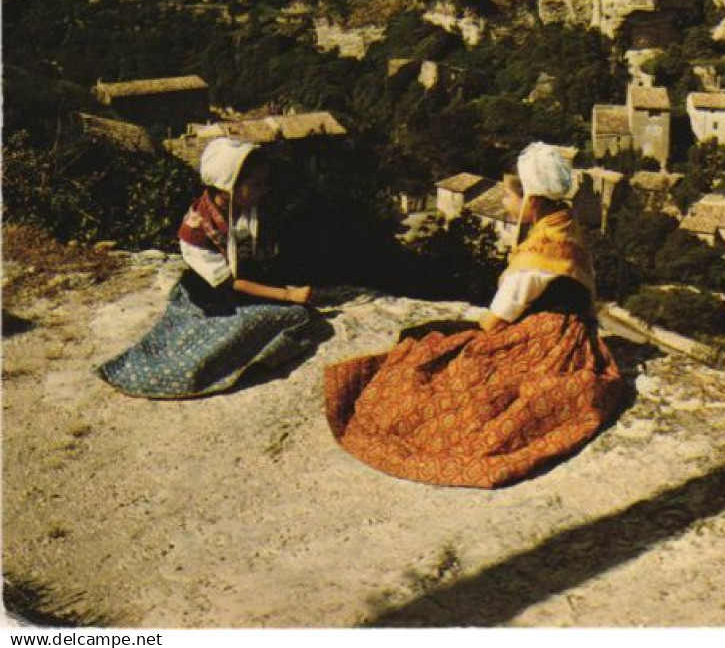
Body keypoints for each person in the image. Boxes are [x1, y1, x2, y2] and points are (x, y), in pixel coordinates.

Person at [324, 142, 627, 489]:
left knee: (453, 370)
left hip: (548, 339)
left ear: (533, 200)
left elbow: (494, 322)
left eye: (510, 197)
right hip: (572, 333)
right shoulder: (564, 225)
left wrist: (441, 331)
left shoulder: (539, 255)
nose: (503, 202)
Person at [98, 137, 318, 399]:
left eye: (264, 182)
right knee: (259, 325)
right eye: (255, 184)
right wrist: (286, 295)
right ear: (226, 188)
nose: (264, 190)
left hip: (246, 284)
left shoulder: (246, 208)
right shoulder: (196, 230)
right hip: (213, 295)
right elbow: (228, 282)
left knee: (296, 315)